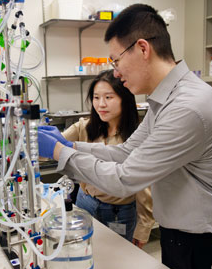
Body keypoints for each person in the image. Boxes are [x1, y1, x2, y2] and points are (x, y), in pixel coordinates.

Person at [38, 4, 212, 269]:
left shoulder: (188, 106)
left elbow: (125, 179)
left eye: (116, 61)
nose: (116, 72)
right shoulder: (165, 100)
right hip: (182, 236)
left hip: (208, 243)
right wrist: (70, 144)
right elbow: (126, 151)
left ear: (142, 48)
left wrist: (58, 153)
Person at [59, 70, 154, 246]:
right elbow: (57, 145)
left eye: (108, 97)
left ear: (124, 99)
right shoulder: (84, 126)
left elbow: (144, 187)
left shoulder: (138, 135)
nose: (101, 104)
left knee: (119, 261)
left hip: (120, 212)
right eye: (96, 97)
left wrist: (143, 227)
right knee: (84, 252)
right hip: (84, 202)